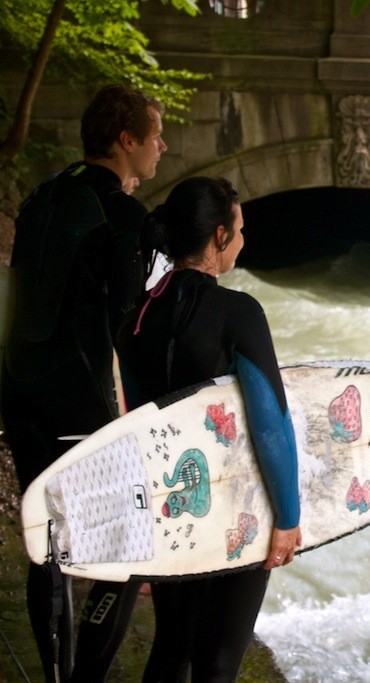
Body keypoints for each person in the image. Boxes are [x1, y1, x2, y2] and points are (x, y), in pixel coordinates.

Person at [1, 83, 167, 682]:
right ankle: (86, 677)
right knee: (128, 545)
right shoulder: (125, 216)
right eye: (155, 136)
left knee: (49, 544)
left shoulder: (45, 194)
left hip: (19, 391)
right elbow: (137, 326)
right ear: (127, 141)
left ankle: (55, 676)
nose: (163, 147)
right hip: (77, 402)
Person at [116, 176, 302, 682]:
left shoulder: (138, 315)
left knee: (171, 647)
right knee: (218, 663)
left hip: (171, 508)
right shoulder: (238, 312)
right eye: (239, 230)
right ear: (219, 237)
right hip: (234, 509)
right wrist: (288, 516)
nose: (242, 240)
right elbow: (271, 423)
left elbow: (131, 422)